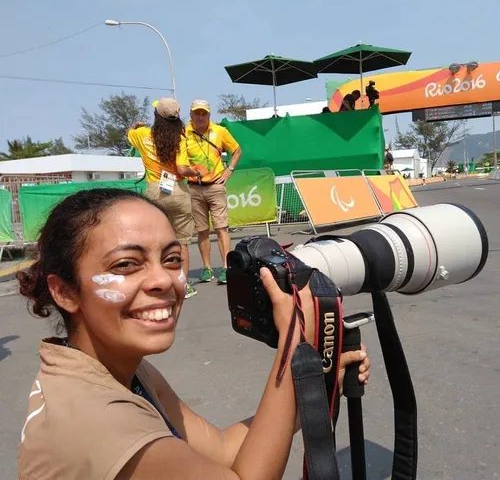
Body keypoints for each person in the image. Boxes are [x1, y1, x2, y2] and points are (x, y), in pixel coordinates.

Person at [17, 188, 370, 480]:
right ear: (65, 292)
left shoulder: (115, 368)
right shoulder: (96, 422)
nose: (163, 280)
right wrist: (296, 339)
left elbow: (222, 450)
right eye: (126, 264)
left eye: (171, 259)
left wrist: (318, 385)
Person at [127, 97, 197, 299]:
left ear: (156, 115)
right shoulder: (181, 138)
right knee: (182, 242)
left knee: (155, 242)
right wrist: (195, 173)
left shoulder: (141, 135)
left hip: (155, 192)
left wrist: (136, 126)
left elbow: (129, 134)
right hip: (178, 190)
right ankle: (184, 286)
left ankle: (156, 283)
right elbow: (183, 168)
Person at [177, 99, 242, 285]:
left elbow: (237, 150)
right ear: (190, 115)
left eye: (203, 113)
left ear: (209, 115)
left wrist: (229, 170)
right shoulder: (183, 134)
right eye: (197, 113)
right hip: (194, 188)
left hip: (215, 186)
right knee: (202, 230)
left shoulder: (219, 131)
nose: (200, 116)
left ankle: (226, 267)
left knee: (221, 227)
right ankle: (206, 268)